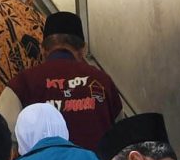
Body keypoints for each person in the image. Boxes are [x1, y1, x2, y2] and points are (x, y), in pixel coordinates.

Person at [10, 12, 124, 148]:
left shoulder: (23, 82)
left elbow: (0, 129)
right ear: (83, 49)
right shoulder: (102, 81)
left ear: (43, 50)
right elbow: (121, 131)